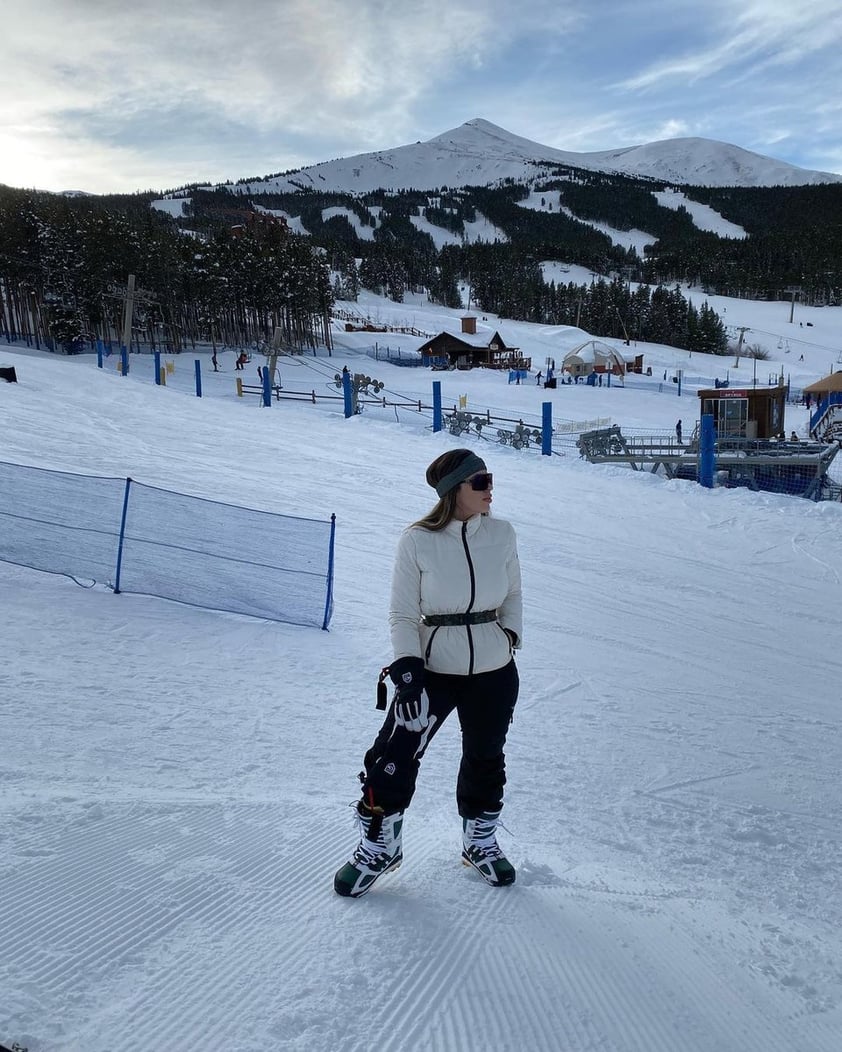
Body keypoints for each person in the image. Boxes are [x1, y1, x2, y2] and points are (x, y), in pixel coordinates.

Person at [334, 449, 523, 898]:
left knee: (486, 756)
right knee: (393, 755)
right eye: (480, 482)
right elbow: (402, 613)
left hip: (494, 669)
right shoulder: (417, 540)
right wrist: (407, 671)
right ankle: (381, 844)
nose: (489, 488)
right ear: (454, 490)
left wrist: (509, 635)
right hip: (433, 669)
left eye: (489, 479)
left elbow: (513, 590)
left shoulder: (502, 533)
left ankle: (479, 841)